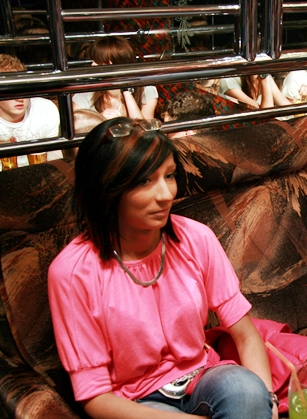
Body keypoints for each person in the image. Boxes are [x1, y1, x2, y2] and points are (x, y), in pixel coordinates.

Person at [48, 117, 278, 419]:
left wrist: (268, 401)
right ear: (107, 189)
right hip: (134, 403)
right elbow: (95, 397)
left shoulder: (195, 238)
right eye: (145, 181)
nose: (166, 194)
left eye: (169, 176)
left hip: (202, 379)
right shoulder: (72, 273)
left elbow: (245, 334)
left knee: (245, 390)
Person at [72, 37, 158, 120]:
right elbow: (78, 126)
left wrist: (126, 91)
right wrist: (100, 121)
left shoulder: (146, 91)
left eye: (99, 61)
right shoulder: (85, 95)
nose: (93, 65)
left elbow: (145, 128)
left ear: (115, 64)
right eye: (94, 60)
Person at [0, 54, 61, 168]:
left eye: (23, 89)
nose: (20, 98)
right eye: (11, 90)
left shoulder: (46, 109)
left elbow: (56, 161)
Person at [219, 74, 291, 110]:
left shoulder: (265, 76)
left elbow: (286, 106)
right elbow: (265, 114)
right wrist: (264, 81)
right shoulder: (229, 81)